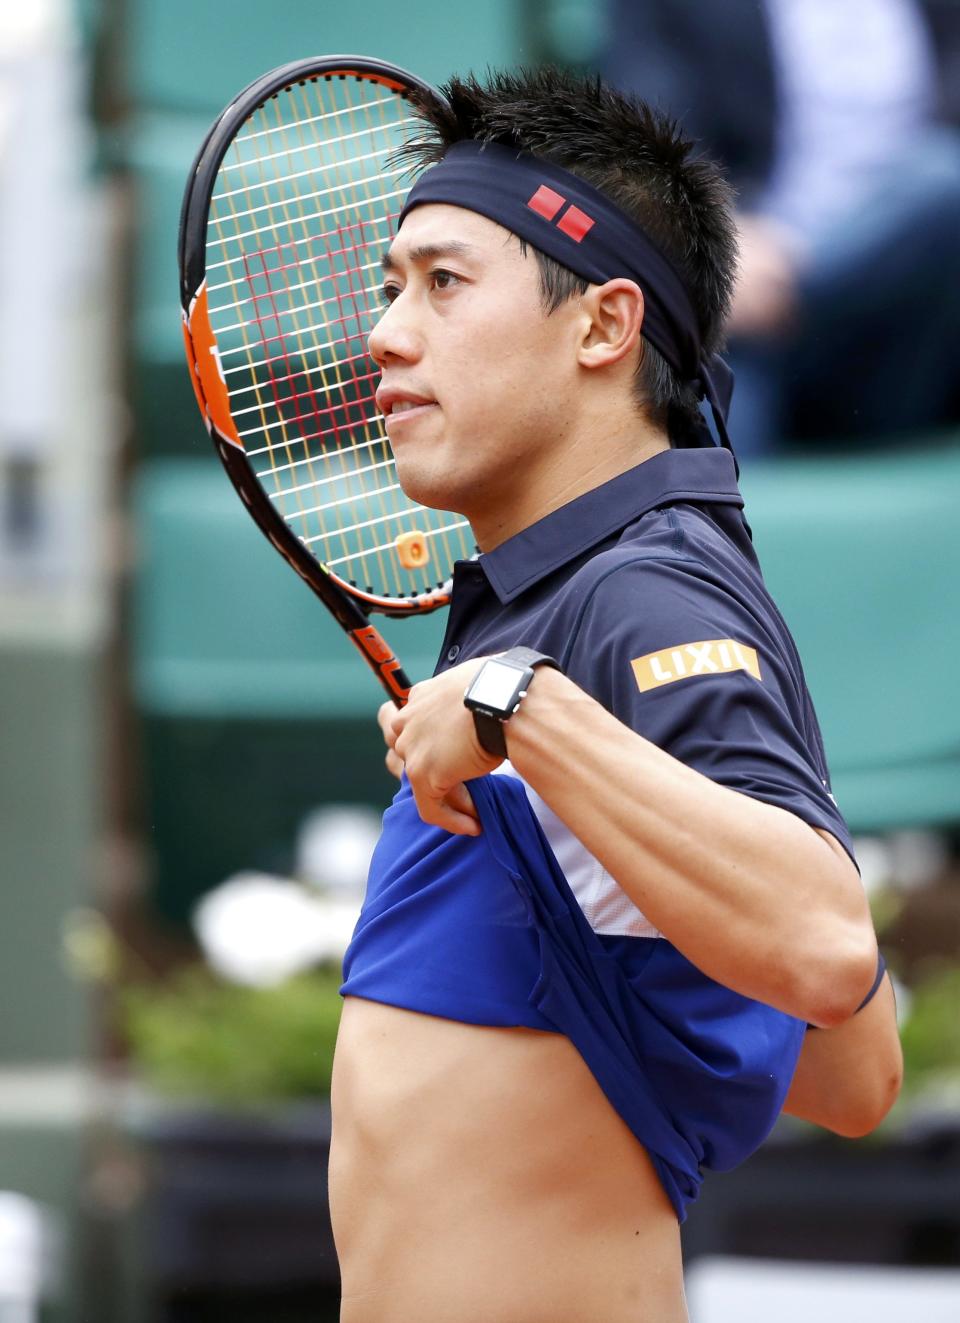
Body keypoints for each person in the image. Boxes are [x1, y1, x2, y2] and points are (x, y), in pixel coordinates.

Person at [329, 68, 903, 1323]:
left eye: (443, 282)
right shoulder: (582, 594)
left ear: (602, 327)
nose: (385, 331)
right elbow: (853, 1076)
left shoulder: (635, 599)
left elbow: (821, 944)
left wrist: (522, 709)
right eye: (388, 288)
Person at [602, 0, 960, 458]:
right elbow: (643, 141)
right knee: (719, 426)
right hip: (741, 307)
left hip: (905, 325)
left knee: (943, 181)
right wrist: (715, 239)